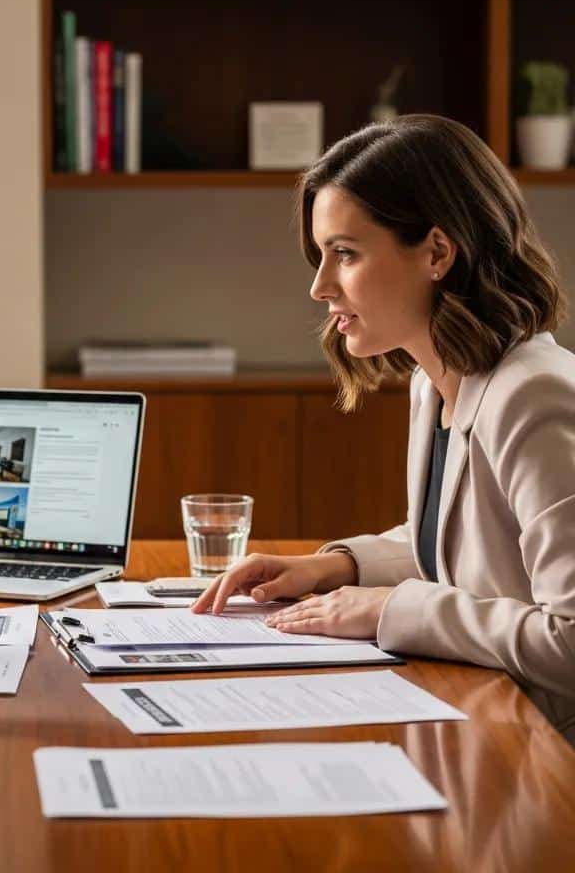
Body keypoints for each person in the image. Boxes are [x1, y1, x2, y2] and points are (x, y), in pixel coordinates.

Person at [192, 114, 575, 744]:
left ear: (436, 251)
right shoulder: (434, 382)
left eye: (344, 253)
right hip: (477, 721)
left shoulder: (536, 397)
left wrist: (391, 609)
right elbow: (473, 549)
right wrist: (336, 566)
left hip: (545, 757)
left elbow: (567, 636)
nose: (319, 286)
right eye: (321, 256)